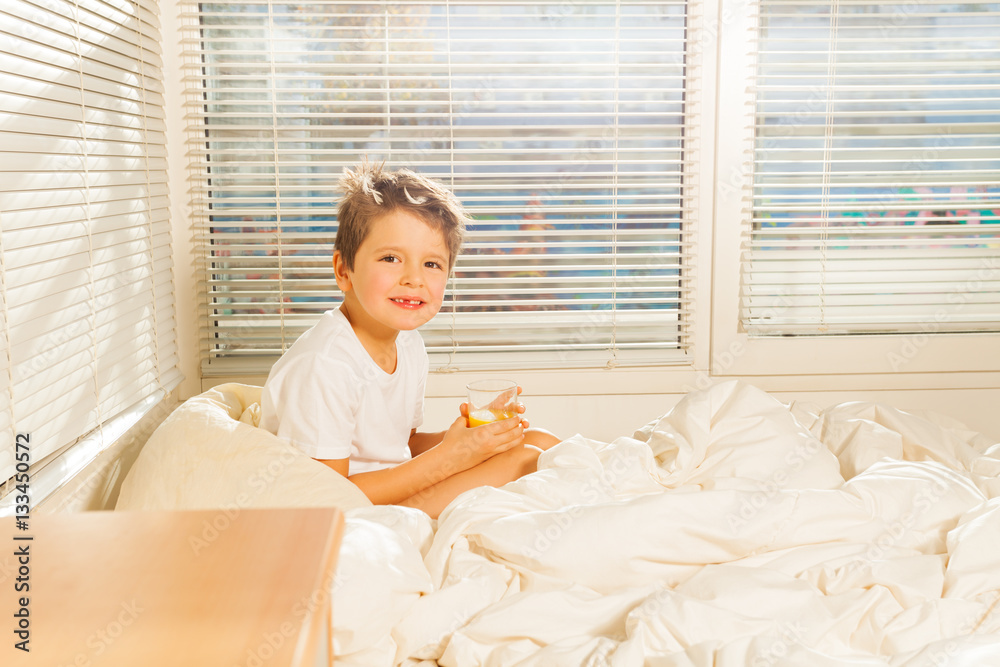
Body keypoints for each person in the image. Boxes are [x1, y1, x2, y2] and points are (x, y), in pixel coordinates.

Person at [260, 160, 560, 519]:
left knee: (538, 441)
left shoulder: (408, 344)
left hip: (394, 489)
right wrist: (451, 456)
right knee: (527, 460)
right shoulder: (324, 365)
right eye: (391, 258)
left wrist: (471, 439)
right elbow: (328, 498)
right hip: (358, 511)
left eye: (432, 264)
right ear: (344, 270)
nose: (413, 279)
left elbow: (402, 446)